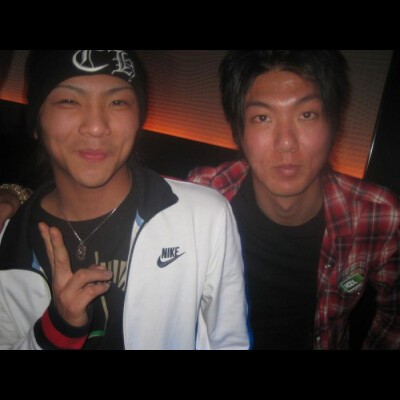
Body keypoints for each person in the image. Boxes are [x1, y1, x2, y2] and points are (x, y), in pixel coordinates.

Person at [0, 50, 249, 350]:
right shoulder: (8, 241)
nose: (96, 126)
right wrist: (57, 331)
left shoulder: (203, 217)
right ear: (37, 121)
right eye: (69, 101)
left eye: (117, 102)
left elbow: (229, 341)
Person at [188, 50, 400, 350]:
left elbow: (394, 317)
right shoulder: (201, 196)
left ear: (334, 124)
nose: (286, 142)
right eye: (262, 118)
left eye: (306, 115)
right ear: (239, 132)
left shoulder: (378, 215)